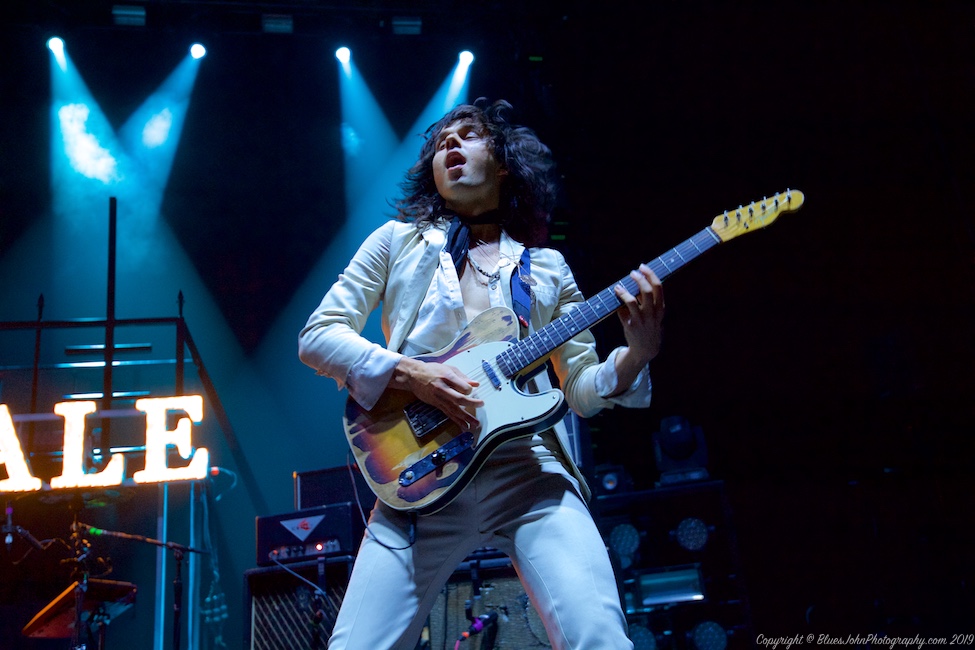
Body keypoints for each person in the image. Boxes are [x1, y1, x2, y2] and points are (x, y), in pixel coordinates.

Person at [298, 98, 664, 650]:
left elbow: (582, 389)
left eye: (468, 135)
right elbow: (318, 335)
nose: (450, 144)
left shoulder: (546, 268)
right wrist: (409, 373)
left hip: (527, 474)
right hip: (418, 473)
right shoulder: (397, 243)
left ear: (504, 165)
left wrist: (637, 354)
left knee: (599, 638)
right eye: (443, 141)